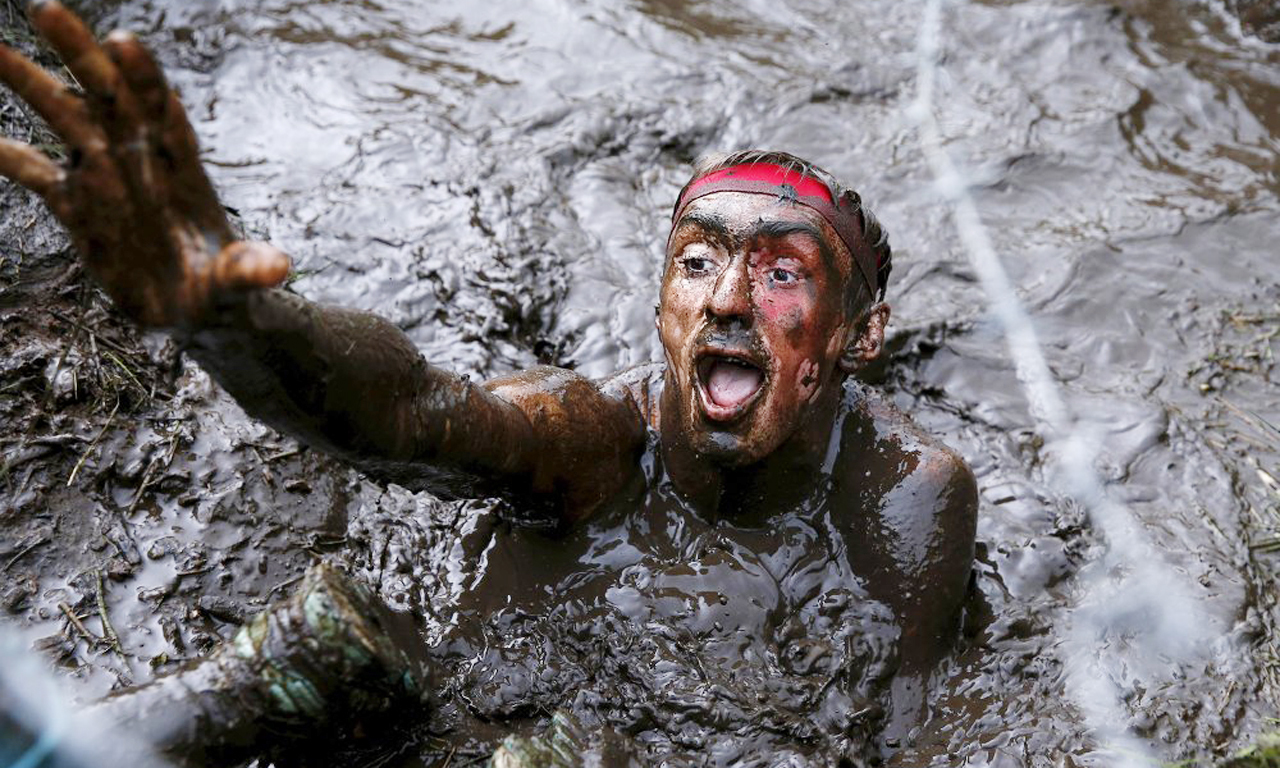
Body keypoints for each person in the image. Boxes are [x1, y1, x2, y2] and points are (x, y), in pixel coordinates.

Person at [0, 1, 977, 762]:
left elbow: (894, 735)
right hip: (443, 701)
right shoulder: (592, 439)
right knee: (322, 653)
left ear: (856, 338)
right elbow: (415, 414)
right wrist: (231, 322)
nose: (726, 297)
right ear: (658, 305)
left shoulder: (905, 491)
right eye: (694, 262)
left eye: (778, 274)